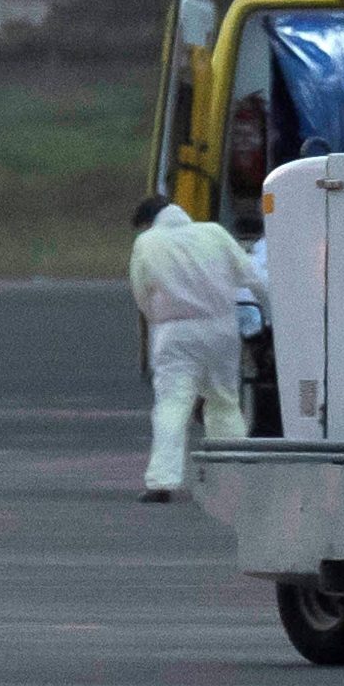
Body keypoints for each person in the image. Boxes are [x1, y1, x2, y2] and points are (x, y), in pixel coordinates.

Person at [128, 195, 268, 504]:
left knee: (172, 405)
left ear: (149, 221)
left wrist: (159, 322)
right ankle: (236, 474)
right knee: (225, 402)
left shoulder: (148, 243)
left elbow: (142, 293)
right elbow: (250, 277)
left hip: (175, 330)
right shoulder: (214, 233)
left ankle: (162, 481)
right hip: (221, 328)